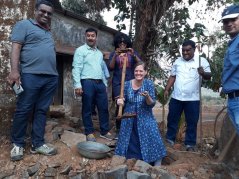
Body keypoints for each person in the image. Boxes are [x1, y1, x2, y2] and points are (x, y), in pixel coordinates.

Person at [8, 0, 58, 161]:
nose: (45, 15)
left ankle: (37, 143)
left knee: (42, 110)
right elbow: (16, 47)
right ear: (35, 11)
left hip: (50, 77)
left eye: (49, 13)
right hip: (31, 75)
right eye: (42, 11)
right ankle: (17, 144)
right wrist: (15, 71)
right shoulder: (24, 25)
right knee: (24, 109)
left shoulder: (48, 32)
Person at [115, 61, 166, 166]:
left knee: (152, 135)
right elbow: (123, 98)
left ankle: (156, 162)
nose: (138, 73)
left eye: (141, 71)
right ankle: (131, 161)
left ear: (145, 72)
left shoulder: (149, 84)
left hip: (145, 116)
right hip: (128, 118)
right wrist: (120, 101)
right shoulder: (127, 84)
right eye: (136, 71)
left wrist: (147, 96)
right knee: (128, 141)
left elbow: (151, 104)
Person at [164, 40, 211, 151]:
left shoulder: (201, 61)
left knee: (192, 122)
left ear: (194, 49)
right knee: (172, 119)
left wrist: (203, 73)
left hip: (193, 99)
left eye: (188, 50)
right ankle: (169, 139)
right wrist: (167, 89)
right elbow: (173, 76)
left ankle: (190, 144)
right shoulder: (177, 61)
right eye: (183, 50)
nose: (185, 52)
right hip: (177, 97)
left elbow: (209, 76)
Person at [72, 28, 113, 142]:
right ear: (85, 37)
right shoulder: (80, 50)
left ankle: (104, 131)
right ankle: (89, 132)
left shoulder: (99, 54)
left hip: (100, 83)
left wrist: (104, 85)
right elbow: (76, 68)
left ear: (96, 37)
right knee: (87, 108)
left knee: (103, 108)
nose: (90, 37)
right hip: (87, 82)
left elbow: (101, 69)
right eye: (88, 35)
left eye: (93, 36)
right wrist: (77, 85)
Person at [109, 33, 141, 137]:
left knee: (130, 104)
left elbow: (140, 64)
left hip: (130, 82)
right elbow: (111, 67)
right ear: (117, 43)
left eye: (124, 42)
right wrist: (115, 55)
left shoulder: (132, 53)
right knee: (120, 104)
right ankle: (119, 130)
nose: (122, 44)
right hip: (118, 82)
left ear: (127, 43)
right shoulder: (114, 53)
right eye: (120, 42)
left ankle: (129, 129)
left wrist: (133, 55)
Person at [220, 4, 239, 133]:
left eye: (234, 19)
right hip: (233, 98)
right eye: (226, 21)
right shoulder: (233, 43)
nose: (229, 23)